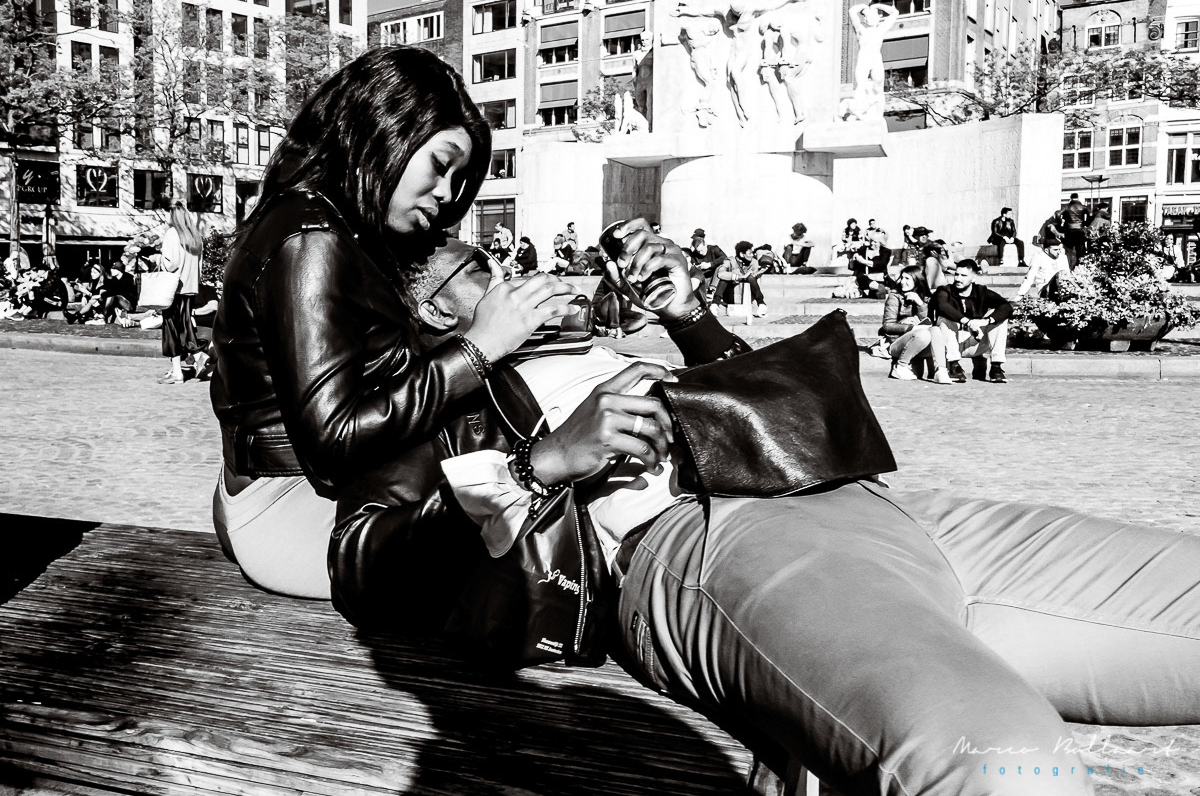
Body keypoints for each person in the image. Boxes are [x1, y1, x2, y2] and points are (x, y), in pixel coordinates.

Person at [351, 226, 1200, 796]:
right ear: (431, 310)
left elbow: (783, 422)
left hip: (892, 514)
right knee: (1008, 766)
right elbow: (368, 560)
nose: (511, 275)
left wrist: (689, 317)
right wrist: (543, 462)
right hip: (711, 542)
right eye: (479, 270)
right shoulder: (428, 407)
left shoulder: (595, 347)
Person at [209, 46, 576, 600]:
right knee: (558, 547)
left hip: (319, 497)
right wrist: (479, 348)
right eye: (440, 164)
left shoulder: (337, 232)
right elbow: (333, 440)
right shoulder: (310, 239)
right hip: (301, 512)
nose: (447, 193)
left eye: (458, 178)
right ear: (384, 131)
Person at [929, 258, 1011, 385]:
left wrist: (985, 321)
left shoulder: (981, 292)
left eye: (963, 276)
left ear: (973, 278)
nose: (958, 279)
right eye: (956, 274)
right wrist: (968, 322)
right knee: (944, 318)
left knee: (999, 317)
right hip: (951, 344)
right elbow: (942, 306)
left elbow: (1006, 307)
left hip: (976, 342)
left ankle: (996, 367)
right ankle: (954, 366)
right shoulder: (945, 291)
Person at [158, 202, 204, 384]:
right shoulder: (195, 236)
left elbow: (171, 264)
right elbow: (199, 266)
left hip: (174, 288)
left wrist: (159, 258)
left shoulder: (172, 234)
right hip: (190, 288)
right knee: (184, 326)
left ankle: (178, 372)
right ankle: (197, 355)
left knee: (171, 329)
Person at [879, 264, 931, 380]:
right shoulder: (895, 296)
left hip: (919, 342)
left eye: (907, 278)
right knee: (923, 334)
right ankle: (900, 366)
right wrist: (911, 327)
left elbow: (928, 321)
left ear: (917, 280)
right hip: (896, 340)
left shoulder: (926, 298)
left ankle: (940, 370)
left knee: (935, 333)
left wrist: (920, 303)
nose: (902, 282)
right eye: (902, 278)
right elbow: (887, 325)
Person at [712, 240, 766, 316]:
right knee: (724, 279)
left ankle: (761, 304)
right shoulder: (730, 261)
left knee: (751, 278)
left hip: (747, 295)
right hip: (730, 293)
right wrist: (738, 277)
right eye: (749, 253)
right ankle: (715, 305)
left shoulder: (754, 262)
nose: (752, 255)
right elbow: (721, 274)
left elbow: (755, 275)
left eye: (752, 253)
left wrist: (759, 272)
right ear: (741, 254)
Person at [1015, 235, 1072, 300]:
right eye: (1055, 250)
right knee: (1059, 274)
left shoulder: (1063, 257)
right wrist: (1020, 294)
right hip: (1045, 289)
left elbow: (1068, 275)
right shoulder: (1038, 257)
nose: (1059, 252)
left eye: (1059, 249)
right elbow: (1030, 277)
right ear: (1046, 250)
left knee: (1065, 273)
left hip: (1062, 288)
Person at [1061, 193, 1088, 269]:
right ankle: (1079, 267)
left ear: (1070, 198)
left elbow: (1057, 214)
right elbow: (1090, 215)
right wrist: (1085, 223)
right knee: (1080, 250)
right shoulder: (1083, 207)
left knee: (1069, 250)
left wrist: (1061, 223)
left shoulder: (1066, 206)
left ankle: (1069, 267)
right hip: (1080, 230)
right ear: (1078, 198)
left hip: (1069, 230)